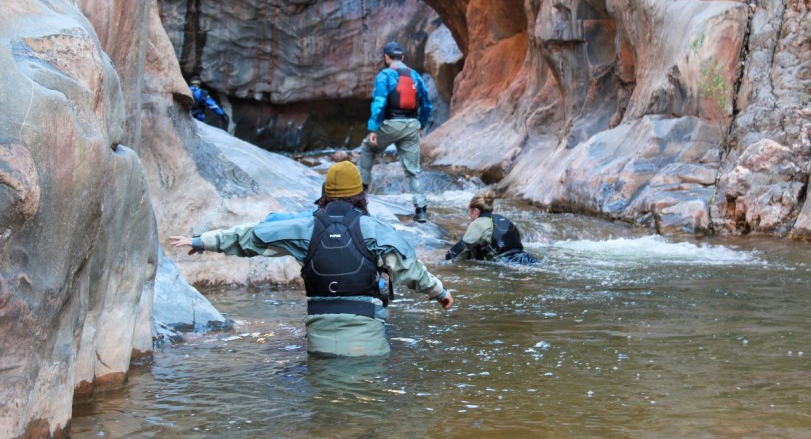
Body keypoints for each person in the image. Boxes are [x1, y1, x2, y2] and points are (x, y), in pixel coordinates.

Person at [169, 161, 454, 357]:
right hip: (367, 347)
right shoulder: (376, 230)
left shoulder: (303, 227)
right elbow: (411, 270)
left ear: (325, 194)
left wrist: (201, 241)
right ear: (361, 195)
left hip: (319, 345)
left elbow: (250, 236)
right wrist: (440, 292)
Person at [358, 41, 433, 223]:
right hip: (412, 126)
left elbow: (379, 103)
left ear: (386, 58)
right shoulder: (415, 76)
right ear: (403, 58)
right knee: (413, 171)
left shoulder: (385, 75)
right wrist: (421, 125)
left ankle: (359, 198)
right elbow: (427, 104)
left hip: (392, 124)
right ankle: (421, 210)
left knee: (367, 148)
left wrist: (373, 129)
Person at [445, 191, 539, 265]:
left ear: (475, 211)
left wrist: (443, 261)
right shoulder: (502, 219)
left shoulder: (478, 223)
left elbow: (457, 250)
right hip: (526, 259)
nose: (469, 215)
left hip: (507, 264)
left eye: (469, 211)